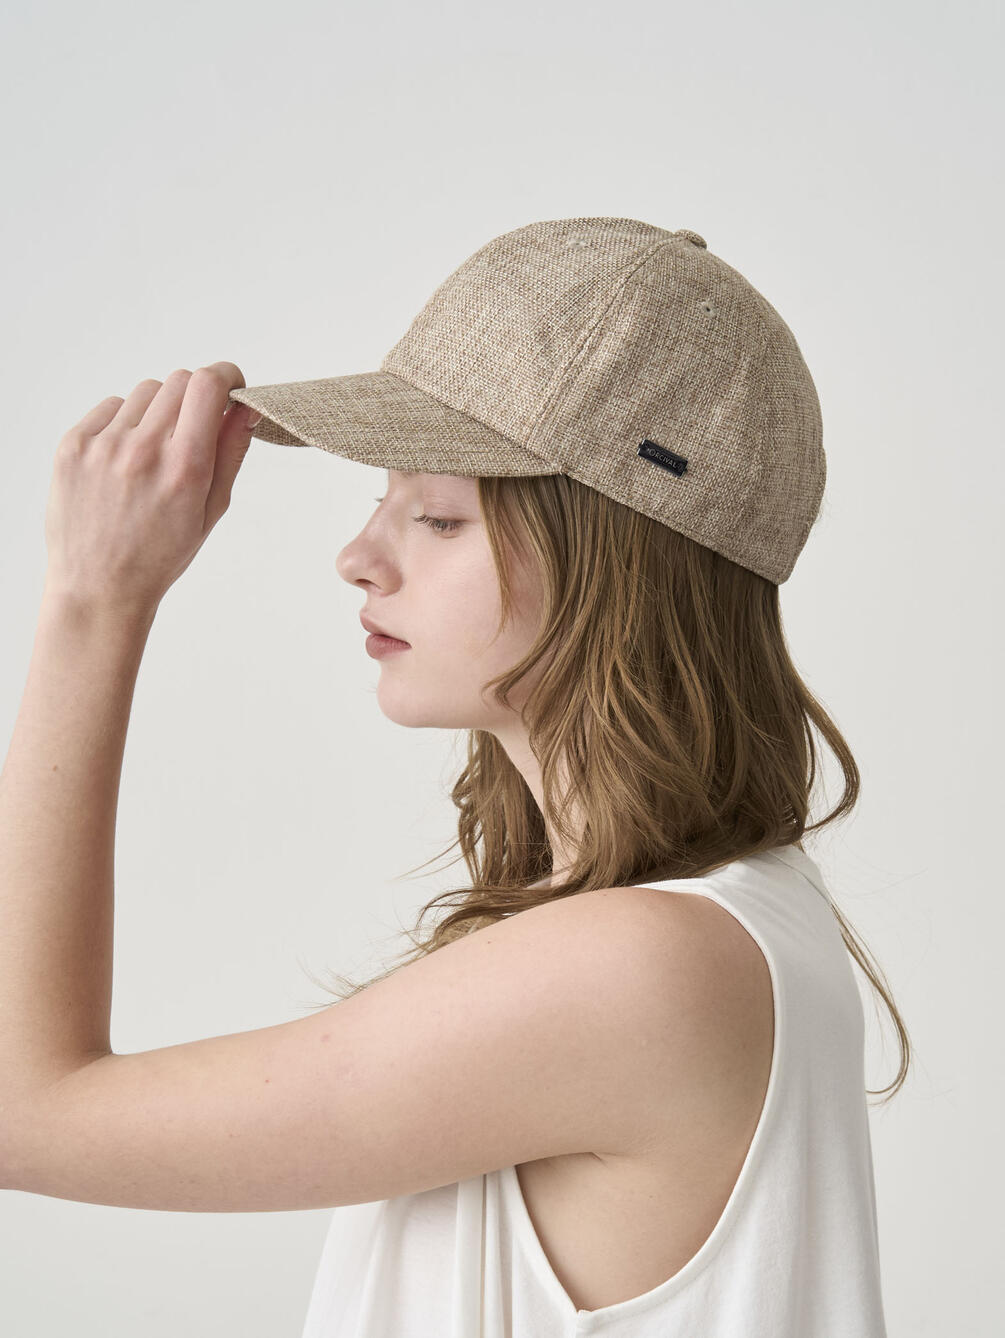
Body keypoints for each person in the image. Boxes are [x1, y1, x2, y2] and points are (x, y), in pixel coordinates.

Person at [1, 217, 904, 1335]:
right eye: (383, 499)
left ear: (618, 559)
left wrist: (94, 600)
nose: (359, 557)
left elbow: (19, 1112)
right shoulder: (735, 919)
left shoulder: (643, 967)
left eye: (438, 516)